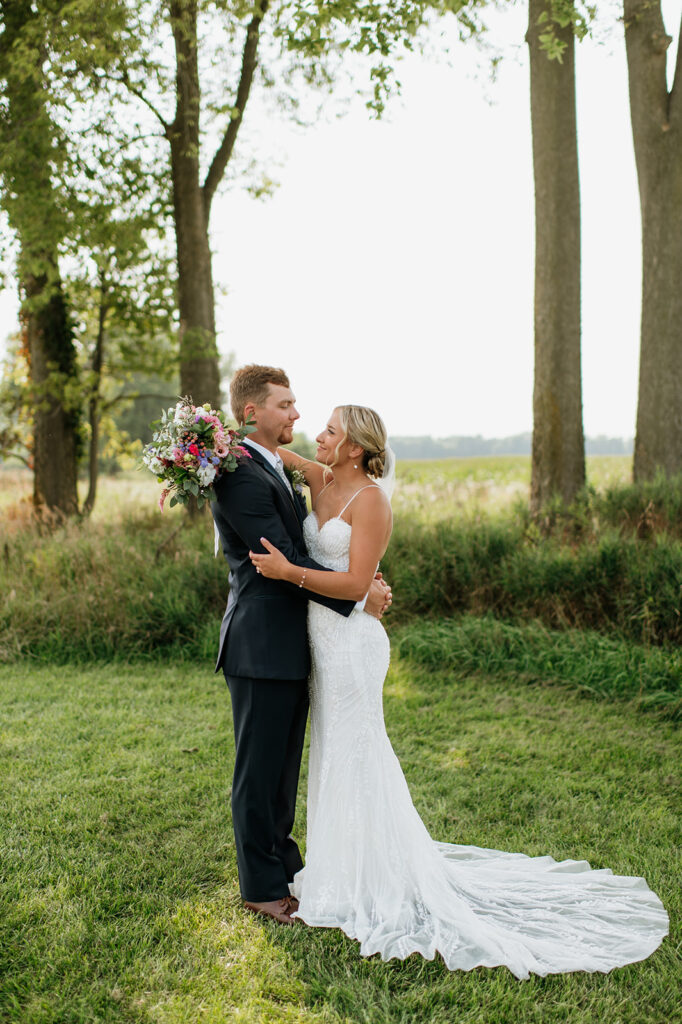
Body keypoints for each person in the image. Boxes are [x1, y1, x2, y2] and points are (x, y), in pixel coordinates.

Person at [249, 403, 669, 978]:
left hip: (353, 646)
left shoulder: (371, 502)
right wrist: (208, 444)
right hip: (320, 644)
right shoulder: (319, 478)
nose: (317, 436)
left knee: (356, 750)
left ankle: (369, 878)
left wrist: (288, 573)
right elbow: (270, 451)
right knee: (331, 750)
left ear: (354, 448)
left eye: (330, 431)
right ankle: (340, 867)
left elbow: (355, 584)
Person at [211, 366, 391, 926]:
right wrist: (359, 594)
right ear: (252, 413)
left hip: (304, 644)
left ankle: (287, 868)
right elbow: (284, 558)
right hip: (262, 644)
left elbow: (310, 547)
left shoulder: (274, 464)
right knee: (259, 774)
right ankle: (262, 889)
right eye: (286, 405)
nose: (299, 416)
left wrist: (360, 586)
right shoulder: (241, 474)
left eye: (298, 406)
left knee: (284, 770)